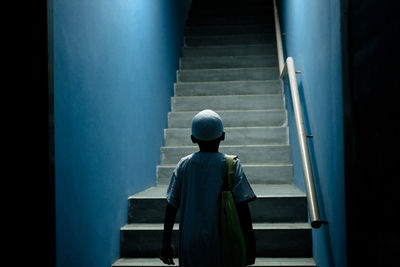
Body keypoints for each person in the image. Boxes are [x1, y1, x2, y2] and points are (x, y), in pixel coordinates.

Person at [160, 109, 257, 267]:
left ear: (193, 139)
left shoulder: (183, 165)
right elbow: (243, 208)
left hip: (189, 241)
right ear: (223, 136)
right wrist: (250, 244)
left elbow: (171, 207)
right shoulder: (231, 165)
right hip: (222, 239)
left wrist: (166, 243)